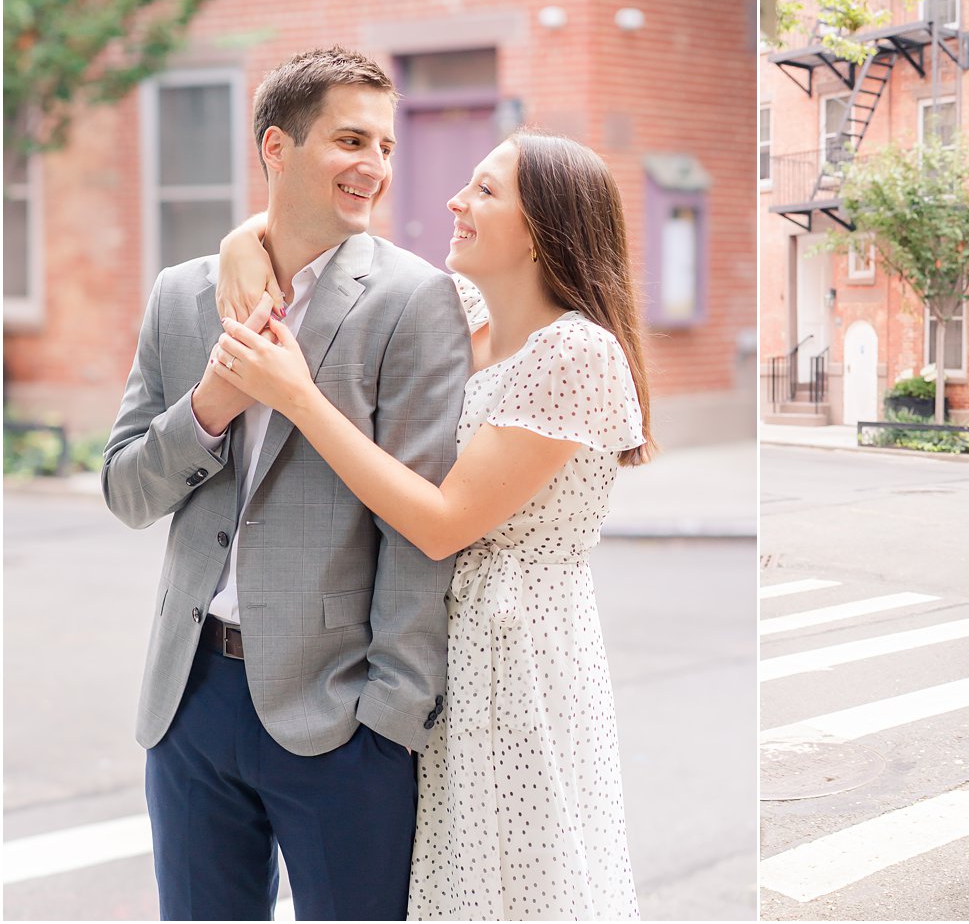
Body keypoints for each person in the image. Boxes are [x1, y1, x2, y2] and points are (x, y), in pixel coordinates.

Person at [211, 130, 653, 920]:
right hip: (440, 645)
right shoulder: (466, 316)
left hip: (517, 658)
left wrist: (299, 396)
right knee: (445, 885)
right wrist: (242, 238)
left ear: (544, 226)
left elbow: (445, 521)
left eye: (485, 190)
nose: (455, 201)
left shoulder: (577, 353)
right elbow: (340, 252)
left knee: (517, 882)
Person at [101, 47, 473, 920]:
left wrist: (389, 716)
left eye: (383, 146)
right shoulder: (183, 296)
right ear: (277, 146)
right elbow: (125, 489)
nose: (374, 167)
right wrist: (208, 407)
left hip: (340, 715)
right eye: (351, 140)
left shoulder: (415, 302)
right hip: (188, 702)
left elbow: (419, 525)